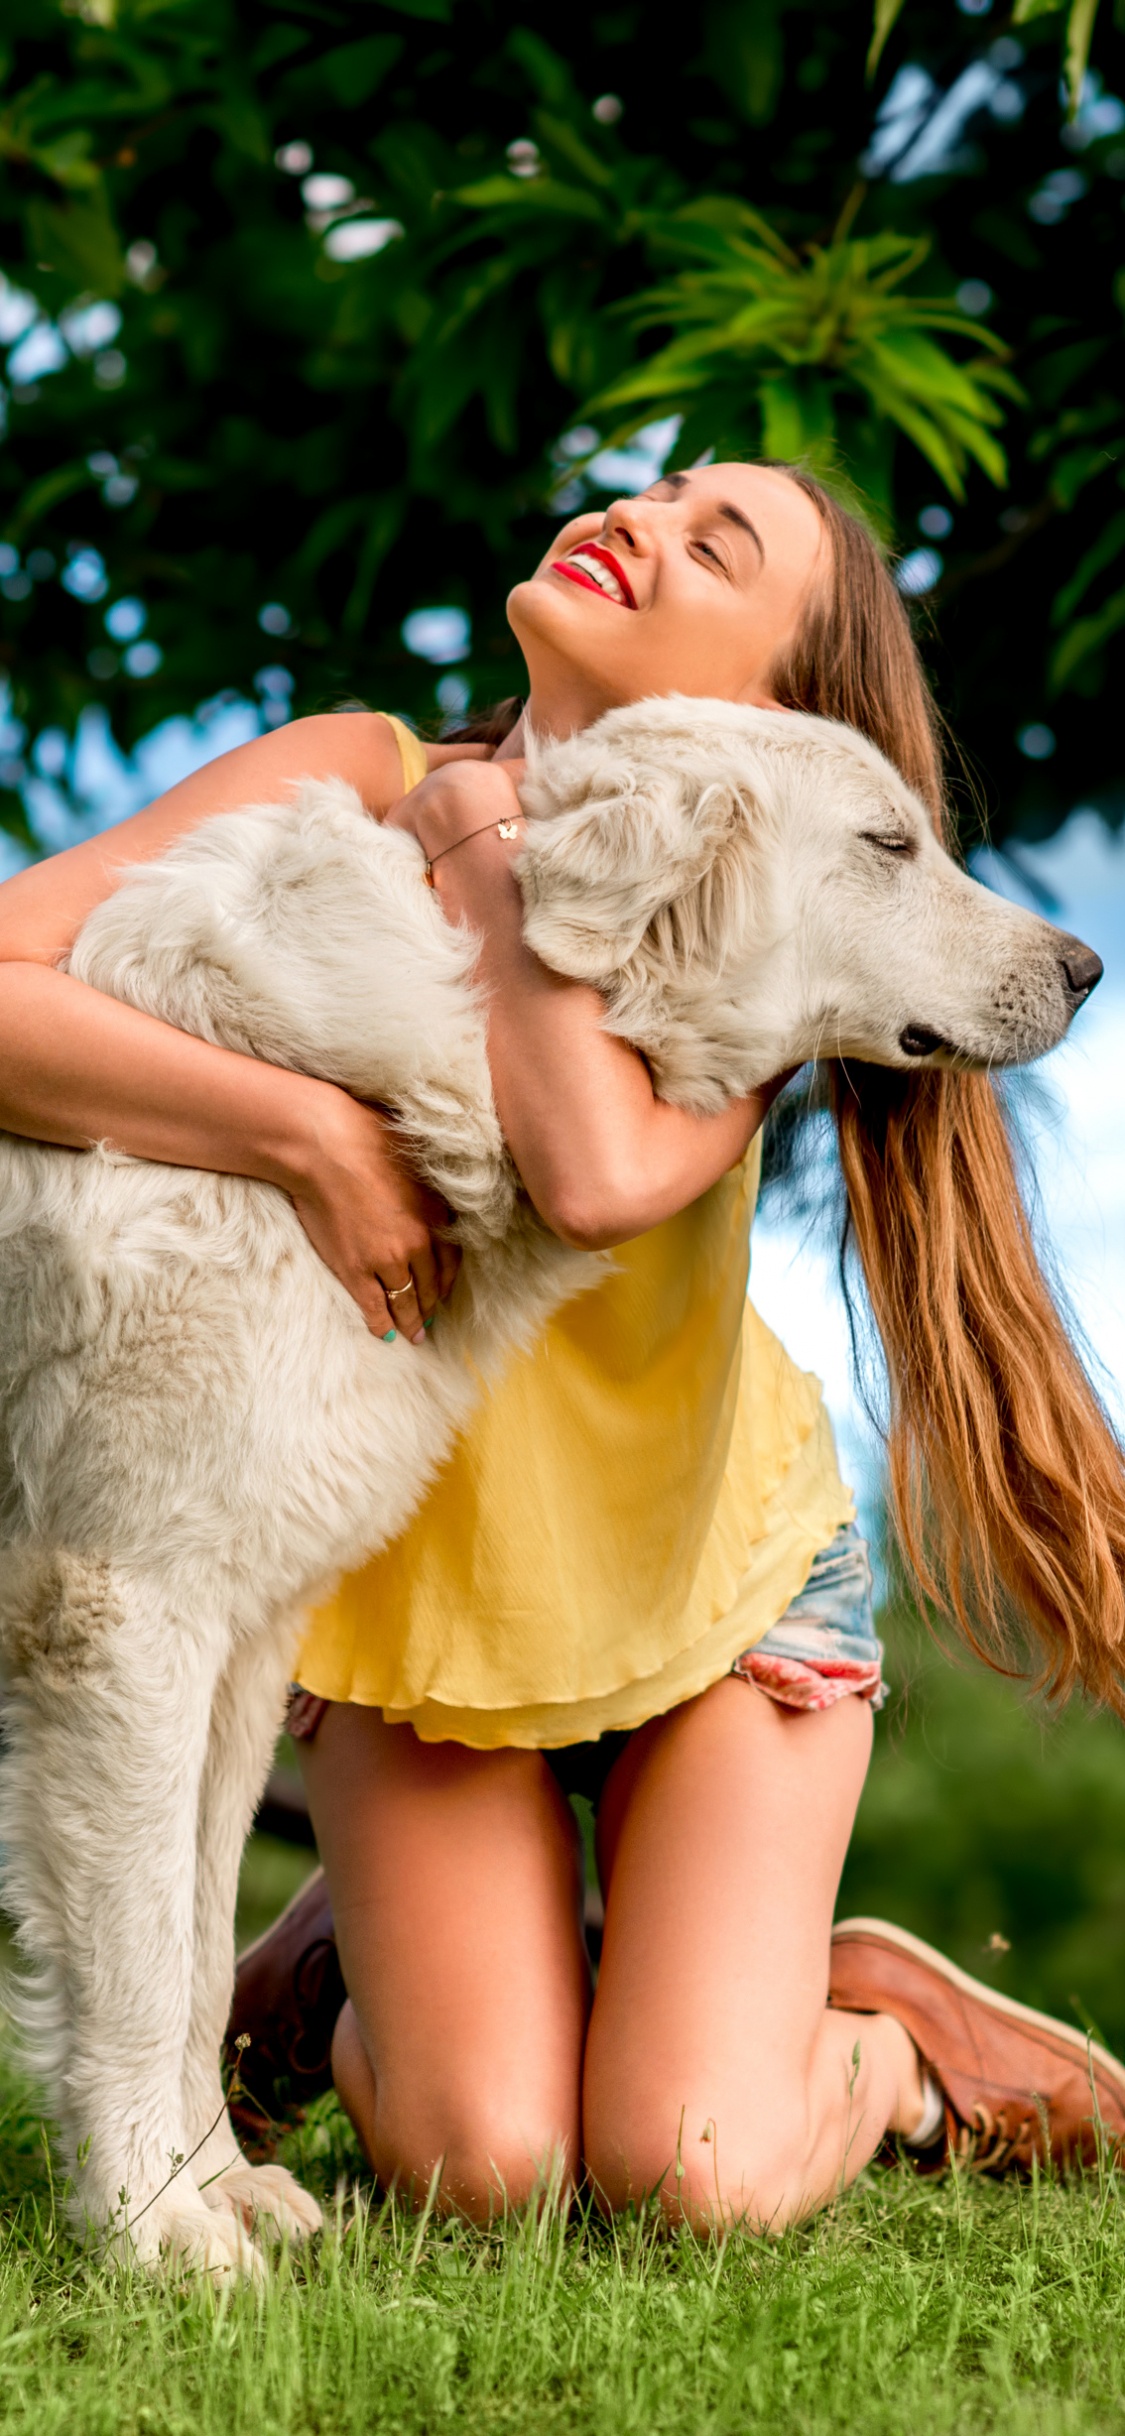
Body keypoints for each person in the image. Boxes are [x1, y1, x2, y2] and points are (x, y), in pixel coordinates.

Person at [2, 463, 1123, 2235]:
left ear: (767, 718)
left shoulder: (731, 925)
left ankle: (882, 2039)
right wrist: (303, 1138)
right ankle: (358, 1971)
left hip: (704, 1596)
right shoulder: (345, 773)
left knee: (691, 2175)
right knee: (484, 2167)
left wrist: (480, 841)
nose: (640, 518)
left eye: (714, 545)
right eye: (659, 488)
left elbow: (590, 1174)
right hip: (436, 1624)